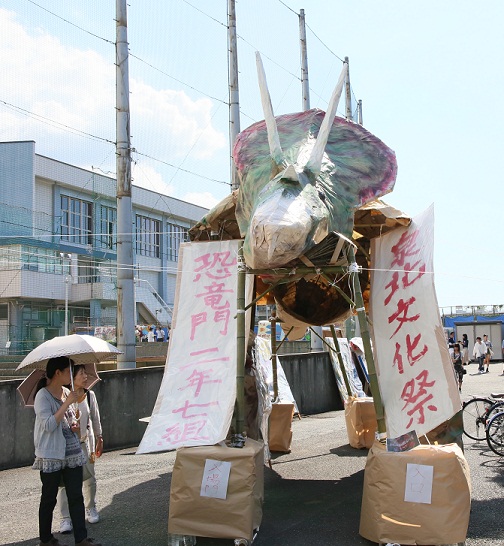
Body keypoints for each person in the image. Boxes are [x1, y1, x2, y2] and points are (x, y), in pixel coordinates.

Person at [33, 356, 102, 546]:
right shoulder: (42, 396)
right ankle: (46, 539)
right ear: (58, 373)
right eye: (68, 371)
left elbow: (66, 421)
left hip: (71, 452)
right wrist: (66, 403)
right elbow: (48, 425)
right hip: (51, 454)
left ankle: (81, 538)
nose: (71, 375)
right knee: (49, 497)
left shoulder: (66, 392)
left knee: (75, 495)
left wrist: (73, 423)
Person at [57, 365, 103, 533]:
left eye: (85, 373)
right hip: (68, 445)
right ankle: (65, 518)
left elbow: (95, 417)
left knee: (90, 476)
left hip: (86, 442)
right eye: (81, 373)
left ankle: (91, 507)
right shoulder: (63, 396)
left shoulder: (90, 395)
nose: (85, 376)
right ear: (72, 377)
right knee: (65, 482)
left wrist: (100, 436)